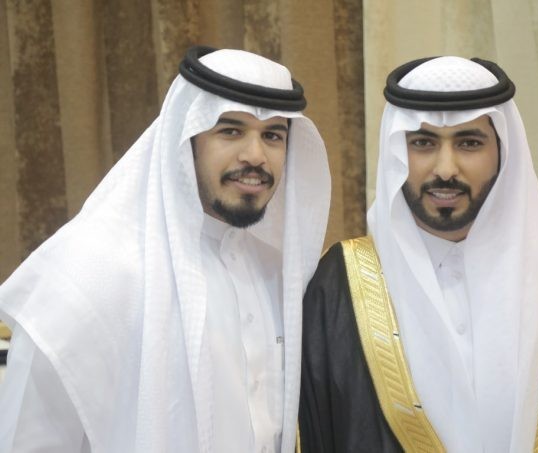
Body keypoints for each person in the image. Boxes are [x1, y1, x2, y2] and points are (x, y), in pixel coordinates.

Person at [298, 56, 538, 452]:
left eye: (469, 143)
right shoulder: (340, 289)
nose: (445, 169)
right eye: (423, 143)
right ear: (397, 154)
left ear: (502, 152)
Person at [0, 46, 330, 453]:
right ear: (186, 138)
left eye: (273, 136)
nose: (255, 156)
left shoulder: (275, 272)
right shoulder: (89, 273)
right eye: (230, 130)